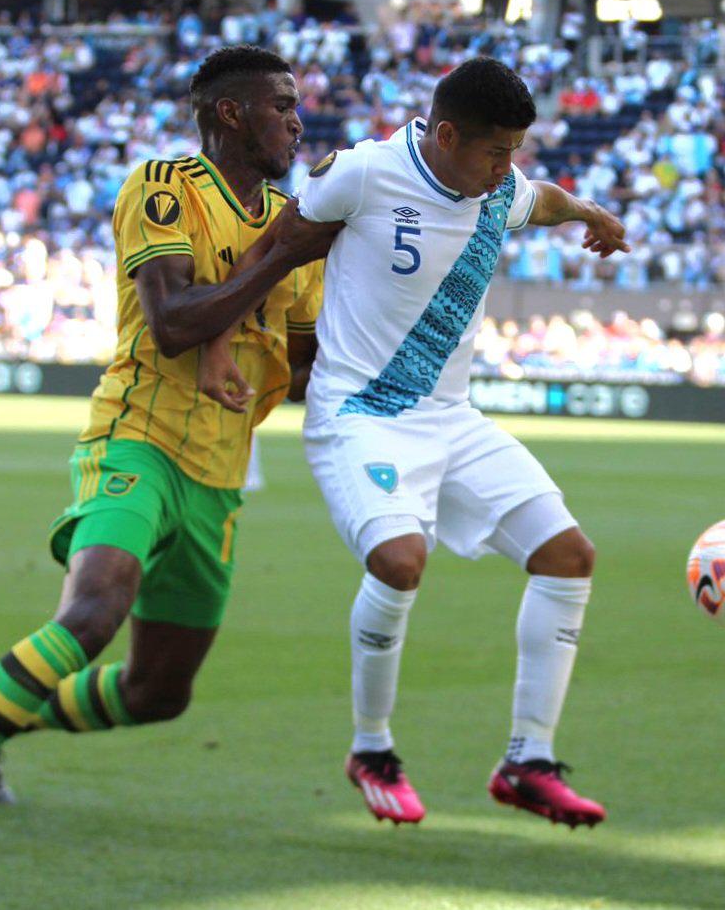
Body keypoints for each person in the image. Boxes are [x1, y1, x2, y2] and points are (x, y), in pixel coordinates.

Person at [0, 45, 338, 856]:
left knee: (159, 692)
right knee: (90, 615)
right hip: (139, 434)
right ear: (230, 113)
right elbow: (174, 321)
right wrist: (282, 256)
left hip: (220, 474)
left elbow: (302, 370)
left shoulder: (291, 228)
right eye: (281, 104)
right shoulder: (165, 186)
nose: (298, 120)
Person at [202, 57, 629, 827]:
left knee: (570, 555)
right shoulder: (366, 174)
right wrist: (218, 341)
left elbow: (545, 199)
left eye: (515, 153)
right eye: (497, 151)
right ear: (446, 133)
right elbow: (274, 249)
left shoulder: (499, 187)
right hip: (360, 412)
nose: (508, 168)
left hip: (452, 418)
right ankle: (373, 747)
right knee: (399, 559)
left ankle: (527, 758)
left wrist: (591, 213)